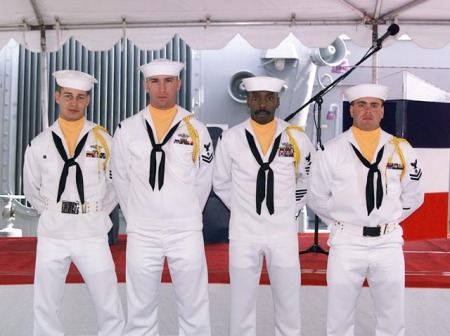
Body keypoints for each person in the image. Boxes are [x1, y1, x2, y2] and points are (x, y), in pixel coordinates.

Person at [307, 83, 425, 336]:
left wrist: (386, 218)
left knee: (392, 319)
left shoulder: (401, 149)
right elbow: (316, 197)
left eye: (374, 105)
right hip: (346, 243)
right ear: (352, 110)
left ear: (383, 111)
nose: (368, 111)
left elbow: (414, 196)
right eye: (361, 105)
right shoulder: (331, 150)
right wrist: (346, 221)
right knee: (339, 320)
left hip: (388, 244)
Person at [111, 58, 213, 336]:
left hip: (186, 230)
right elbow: (120, 178)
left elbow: (204, 179)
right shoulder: (127, 128)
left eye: (168, 81)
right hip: (143, 231)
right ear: (146, 86)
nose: (162, 88)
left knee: (194, 306)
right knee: (140, 308)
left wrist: (188, 212)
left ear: (178, 84)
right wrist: (136, 217)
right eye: (155, 81)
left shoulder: (196, 128)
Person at [23, 70, 125, 336]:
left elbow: (116, 183)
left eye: (80, 97)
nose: (73, 102)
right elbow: (30, 188)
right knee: (46, 304)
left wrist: (95, 210)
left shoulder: (104, 140)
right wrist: (51, 212)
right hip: (53, 232)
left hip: (91, 230)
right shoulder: (39, 143)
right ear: (57, 97)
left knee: (108, 300)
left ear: (87, 101)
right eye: (68, 95)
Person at [213, 76, 314, 336]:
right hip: (244, 232)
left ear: (277, 102)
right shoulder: (231, 138)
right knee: (241, 303)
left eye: (268, 98)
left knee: (288, 302)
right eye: (256, 98)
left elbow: (307, 179)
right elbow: (220, 182)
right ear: (247, 100)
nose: (262, 104)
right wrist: (242, 209)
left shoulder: (295, 138)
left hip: (282, 232)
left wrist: (289, 209)